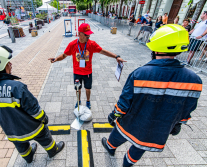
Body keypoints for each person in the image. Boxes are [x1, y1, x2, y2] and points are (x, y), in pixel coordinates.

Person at [101, 24, 202, 167]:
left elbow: (124, 103)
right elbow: (187, 109)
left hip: (132, 121)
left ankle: (110, 147)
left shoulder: (140, 73)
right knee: (141, 145)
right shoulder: (195, 81)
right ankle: (126, 164)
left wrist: (114, 115)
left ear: (156, 48)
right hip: (159, 126)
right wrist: (178, 123)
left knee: (118, 133)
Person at [0, 44, 65, 164]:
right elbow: (34, 110)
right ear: (0, 67)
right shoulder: (16, 87)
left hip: (10, 130)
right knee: (44, 136)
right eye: (8, 63)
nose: (10, 65)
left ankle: (28, 157)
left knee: (21, 146)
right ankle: (53, 150)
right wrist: (44, 118)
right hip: (32, 127)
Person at [48, 23, 126, 109]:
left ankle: (88, 101)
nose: (88, 36)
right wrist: (56, 59)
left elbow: (103, 51)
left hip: (88, 72)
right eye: (86, 35)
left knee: (88, 89)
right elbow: (64, 55)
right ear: (79, 34)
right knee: (78, 89)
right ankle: (78, 101)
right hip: (77, 72)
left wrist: (116, 56)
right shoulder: (72, 45)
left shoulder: (92, 44)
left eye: (89, 34)